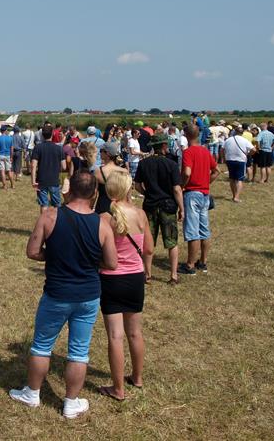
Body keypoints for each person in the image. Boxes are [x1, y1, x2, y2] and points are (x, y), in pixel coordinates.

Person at [9, 171, 117, 419]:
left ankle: (32, 393)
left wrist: (55, 255)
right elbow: (111, 263)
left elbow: (33, 251)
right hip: (88, 294)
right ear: (94, 194)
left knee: (41, 345)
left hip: (57, 293)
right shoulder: (102, 223)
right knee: (79, 351)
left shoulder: (49, 215)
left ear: (69, 191)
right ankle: (71, 401)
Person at [99, 171, 154, 399]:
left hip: (110, 279)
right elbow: (149, 249)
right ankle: (137, 377)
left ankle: (118, 388)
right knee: (135, 333)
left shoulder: (104, 218)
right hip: (134, 278)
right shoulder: (140, 215)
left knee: (115, 336)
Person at [134, 134, 183, 284]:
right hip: (168, 206)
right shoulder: (172, 164)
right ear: (163, 146)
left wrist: (147, 193)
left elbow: (137, 185)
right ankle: (173, 275)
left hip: (150, 205)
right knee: (171, 241)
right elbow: (176, 189)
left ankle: (147, 274)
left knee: (148, 241)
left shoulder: (144, 163)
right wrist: (182, 208)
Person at [180, 125, 220, 275]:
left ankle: (190, 265)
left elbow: (187, 172)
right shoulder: (205, 151)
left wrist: (182, 185)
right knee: (204, 230)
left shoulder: (188, 152)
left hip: (192, 194)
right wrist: (206, 182)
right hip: (204, 194)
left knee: (192, 231)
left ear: (186, 135)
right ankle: (203, 262)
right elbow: (217, 171)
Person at [30, 124, 66, 212]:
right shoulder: (59, 148)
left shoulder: (38, 147)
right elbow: (64, 167)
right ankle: (57, 223)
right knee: (57, 204)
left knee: (44, 204)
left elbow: (33, 165)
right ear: (52, 134)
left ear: (42, 134)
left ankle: (43, 224)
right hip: (54, 179)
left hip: (41, 180)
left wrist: (33, 181)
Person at [222, 126, 255, 203]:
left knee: (232, 178)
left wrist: (224, 158)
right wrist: (248, 154)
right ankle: (236, 197)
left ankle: (234, 195)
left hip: (230, 160)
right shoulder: (245, 140)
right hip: (240, 160)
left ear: (234, 132)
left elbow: (222, 149)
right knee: (239, 179)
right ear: (242, 133)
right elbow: (254, 149)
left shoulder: (228, 140)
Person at [94, 141, 128, 215]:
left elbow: (94, 194)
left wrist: (90, 209)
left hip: (103, 207)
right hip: (120, 207)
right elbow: (127, 194)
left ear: (108, 154)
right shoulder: (124, 171)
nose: (100, 153)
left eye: (101, 151)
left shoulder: (98, 171)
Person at [0, 126, 15, 190]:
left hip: (0, 155)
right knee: (9, 171)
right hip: (8, 155)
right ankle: (12, 184)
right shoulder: (10, 138)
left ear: (1, 131)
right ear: (6, 131)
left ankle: (4, 185)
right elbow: (12, 149)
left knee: (2, 171)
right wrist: (11, 157)